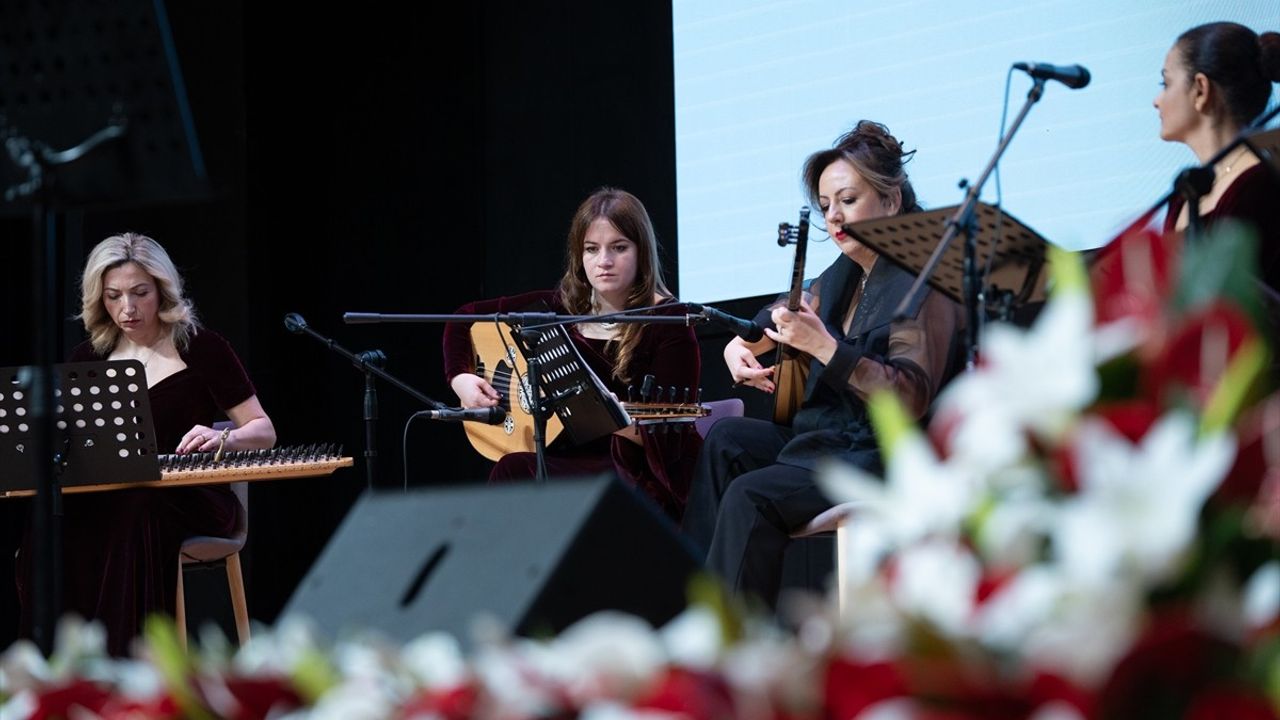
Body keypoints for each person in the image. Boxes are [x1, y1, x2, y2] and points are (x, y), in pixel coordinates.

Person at [681, 121, 963, 608]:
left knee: (751, 494)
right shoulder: (846, 272)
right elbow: (785, 308)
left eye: (848, 201)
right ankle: (696, 608)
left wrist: (826, 347)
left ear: (891, 202)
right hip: (830, 441)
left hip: (882, 455)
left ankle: (732, 648)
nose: (834, 218)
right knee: (726, 440)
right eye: (827, 206)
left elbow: (909, 398)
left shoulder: (926, 280)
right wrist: (741, 340)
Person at [17, 232, 276, 655]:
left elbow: (264, 431)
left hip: (189, 495)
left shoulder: (202, 347)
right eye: (114, 296)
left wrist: (222, 435)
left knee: (136, 506)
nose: (128, 309)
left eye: (140, 293)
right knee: (49, 517)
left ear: (163, 290)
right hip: (117, 494)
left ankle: (132, 665)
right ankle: (63, 663)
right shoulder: (89, 357)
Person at [442, 188, 701, 521]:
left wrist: (617, 420)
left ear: (642, 252)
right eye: (591, 249)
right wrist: (460, 378)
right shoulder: (558, 307)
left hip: (633, 468)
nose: (603, 261)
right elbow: (463, 318)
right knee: (513, 468)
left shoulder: (671, 321)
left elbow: (675, 432)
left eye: (619, 248)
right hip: (568, 459)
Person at [1155, 22, 1280, 290]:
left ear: (1200, 89)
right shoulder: (1183, 194)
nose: (1157, 100)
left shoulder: (1259, 184)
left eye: (1165, 84)